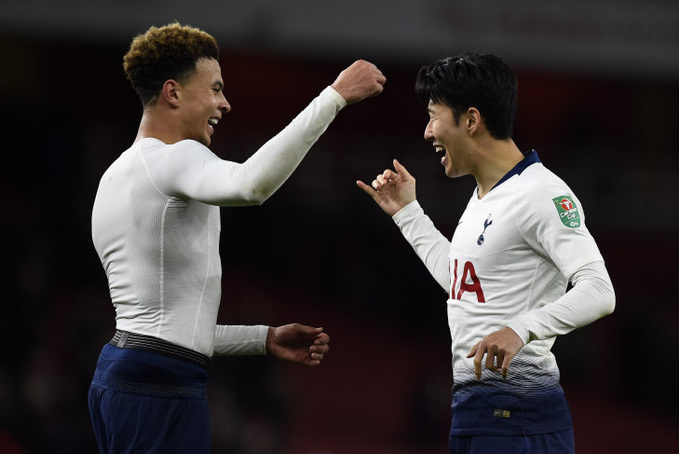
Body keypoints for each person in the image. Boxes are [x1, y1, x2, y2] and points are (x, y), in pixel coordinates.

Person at [88, 22, 385, 453]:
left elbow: (164, 324)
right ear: (172, 93)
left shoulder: (115, 175)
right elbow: (251, 185)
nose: (224, 103)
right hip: (160, 383)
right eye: (215, 88)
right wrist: (333, 97)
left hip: (121, 377)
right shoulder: (177, 158)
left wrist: (262, 338)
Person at [357, 52, 615, 454]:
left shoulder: (542, 193)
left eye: (433, 115)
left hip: (521, 415)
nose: (427, 132)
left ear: (471, 120)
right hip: (474, 412)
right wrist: (409, 214)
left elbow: (600, 289)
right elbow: (463, 284)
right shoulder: (482, 197)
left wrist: (521, 329)